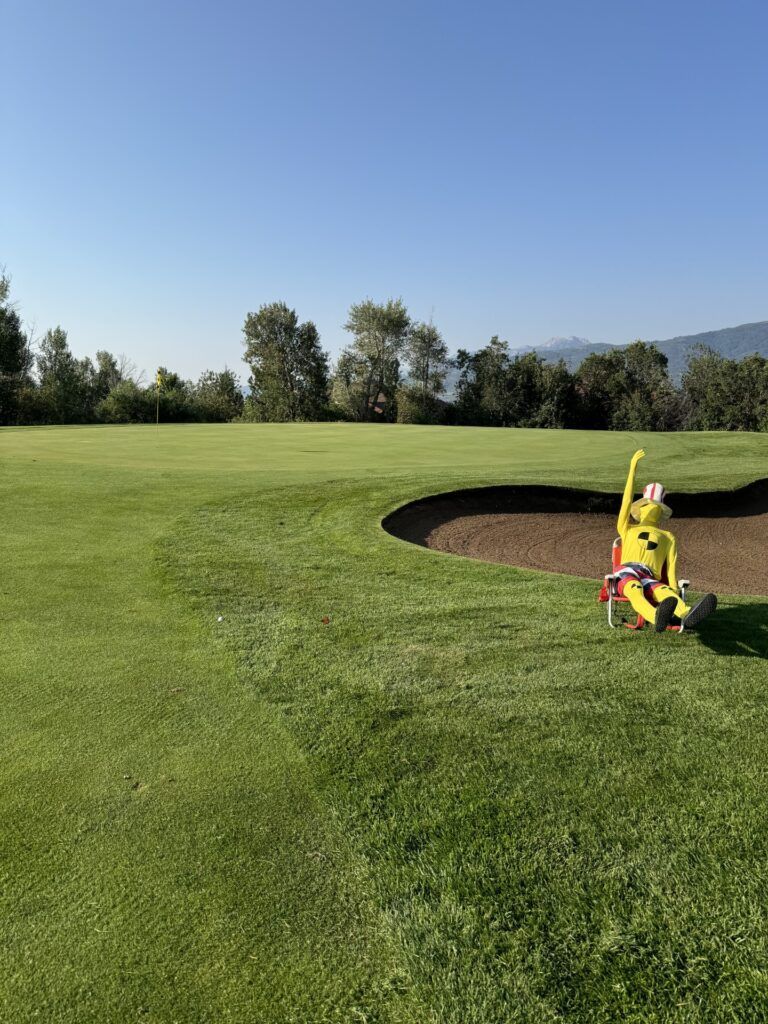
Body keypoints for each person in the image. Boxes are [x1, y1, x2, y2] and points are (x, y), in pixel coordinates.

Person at [615, 449, 717, 632]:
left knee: (665, 592)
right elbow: (625, 501)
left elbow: (671, 570)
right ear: (640, 508)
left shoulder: (668, 537)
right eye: (648, 504)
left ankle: (687, 613)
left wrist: (674, 588)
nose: (652, 508)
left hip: (650, 577)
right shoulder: (627, 527)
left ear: (661, 512)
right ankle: (657, 617)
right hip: (627, 571)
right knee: (633, 588)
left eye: (656, 506)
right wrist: (632, 469)